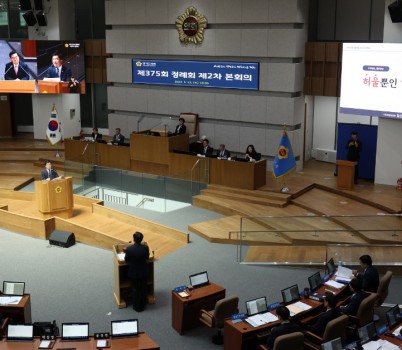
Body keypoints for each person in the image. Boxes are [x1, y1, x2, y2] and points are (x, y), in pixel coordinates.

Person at [124, 231, 150, 312]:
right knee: (143, 288)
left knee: (135, 289)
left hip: (133, 273)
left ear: (133, 239)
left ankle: (136, 307)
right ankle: (143, 305)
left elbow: (126, 259)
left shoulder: (129, 249)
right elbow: (147, 257)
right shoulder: (145, 248)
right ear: (142, 239)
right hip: (143, 272)